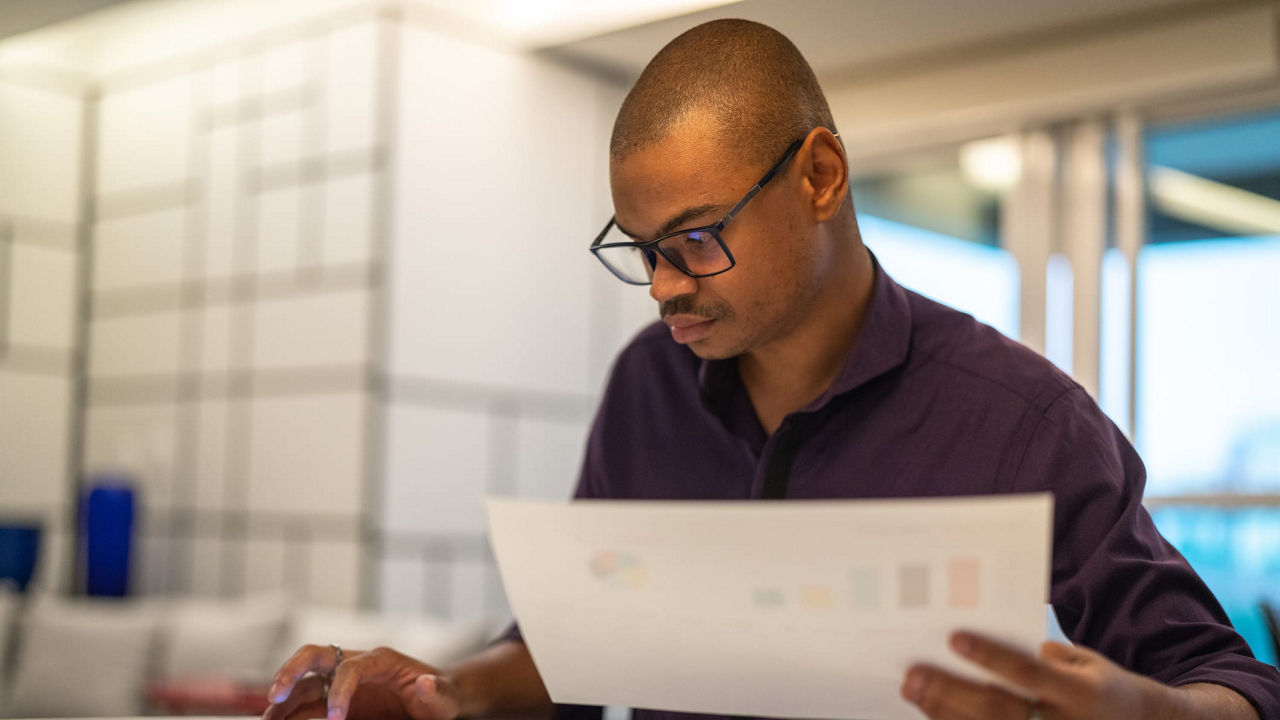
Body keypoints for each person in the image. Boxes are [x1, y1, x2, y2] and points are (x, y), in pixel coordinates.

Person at [264, 19, 1280, 720]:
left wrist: (1149, 710)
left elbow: (1231, 681)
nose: (662, 288)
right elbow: (574, 647)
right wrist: (448, 691)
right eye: (642, 249)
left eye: (695, 239)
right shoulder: (647, 385)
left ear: (819, 176)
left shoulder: (1021, 418)